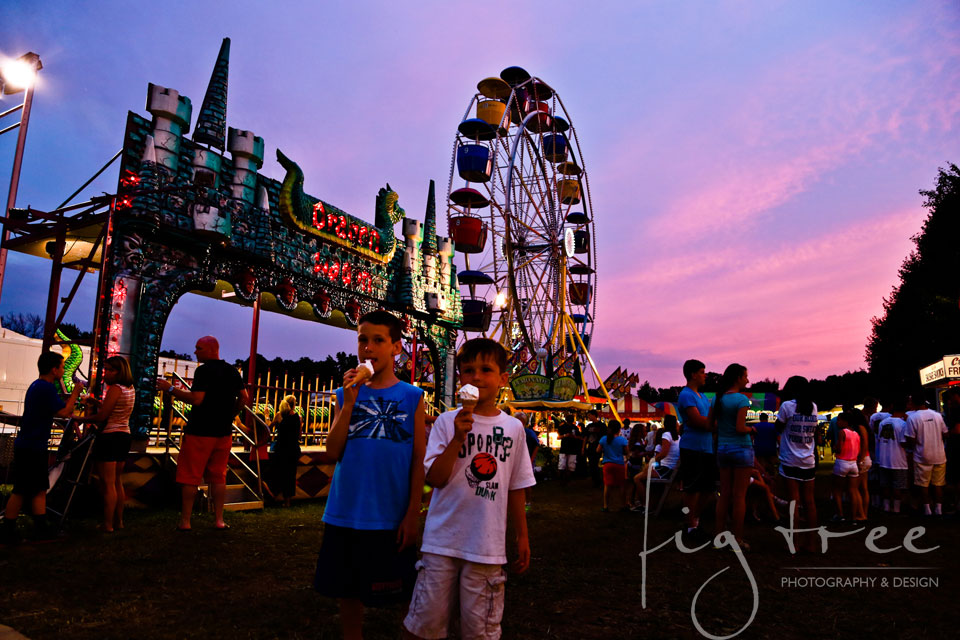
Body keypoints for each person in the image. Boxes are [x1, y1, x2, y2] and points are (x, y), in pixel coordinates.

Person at [403, 338, 534, 640]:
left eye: (486, 370)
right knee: (425, 624)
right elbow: (435, 478)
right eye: (468, 370)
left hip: (486, 545)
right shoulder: (447, 423)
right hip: (441, 541)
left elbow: (516, 486)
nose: (476, 376)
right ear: (460, 378)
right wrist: (459, 438)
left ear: (503, 378)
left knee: (481, 630)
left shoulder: (514, 429)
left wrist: (522, 535)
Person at [314, 311, 426, 640]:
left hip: (390, 515)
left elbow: (419, 458)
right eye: (363, 339)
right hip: (346, 512)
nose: (369, 347)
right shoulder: (344, 393)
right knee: (346, 589)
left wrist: (412, 513)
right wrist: (348, 403)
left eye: (379, 340)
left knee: (397, 588)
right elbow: (332, 453)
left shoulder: (412, 396)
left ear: (396, 348)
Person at [157, 336, 247, 531]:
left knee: (190, 476)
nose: (195, 352)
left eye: (199, 348)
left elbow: (197, 399)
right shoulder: (232, 371)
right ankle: (219, 520)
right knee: (218, 477)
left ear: (211, 349)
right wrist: (231, 414)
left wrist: (170, 388)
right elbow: (244, 397)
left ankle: (186, 521)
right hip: (223, 432)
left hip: (200, 430)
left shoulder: (203, 371)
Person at [1, 352, 84, 545]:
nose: (64, 370)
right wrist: (76, 394)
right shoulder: (46, 388)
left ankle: (32, 528)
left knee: (35, 488)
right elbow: (64, 412)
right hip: (33, 445)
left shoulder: (36, 386)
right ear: (54, 369)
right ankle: (16, 530)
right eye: (62, 367)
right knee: (25, 489)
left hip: (28, 443)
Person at [74, 355, 135, 532]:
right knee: (117, 481)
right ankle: (119, 521)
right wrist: (97, 403)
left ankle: (107, 524)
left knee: (107, 483)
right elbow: (114, 408)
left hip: (110, 437)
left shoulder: (115, 388)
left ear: (118, 372)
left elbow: (102, 416)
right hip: (124, 435)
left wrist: (80, 418)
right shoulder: (129, 388)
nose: (105, 373)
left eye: (109, 370)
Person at [712, 363, 755, 550]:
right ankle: (737, 539)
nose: (747, 379)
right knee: (739, 496)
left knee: (724, 495)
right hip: (741, 449)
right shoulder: (741, 400)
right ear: (738, 378)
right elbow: (740, 428)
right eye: (746, 376)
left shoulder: (717, 399)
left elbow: (709, 425)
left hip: (723, 448)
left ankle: (719, 537)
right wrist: (752, 428)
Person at [775, 376, 819, 551]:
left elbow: (778, 427)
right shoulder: (813, 407)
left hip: (790, 459)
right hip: (808, 460)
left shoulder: (787, 406)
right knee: (810, 502)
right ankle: (811, 542)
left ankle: (795, 542)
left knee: (794, 501)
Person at [676, 359, 715, 544]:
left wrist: (710, 424)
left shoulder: (701, 396)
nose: (704, 375)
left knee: (708, 488)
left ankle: (694, 521)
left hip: (705, 446)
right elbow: (698, 421)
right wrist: (719, 426)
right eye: (701, 371)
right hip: (692, 447)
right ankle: (690, 526)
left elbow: (704, 421)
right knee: (692, 488)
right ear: (693, 374)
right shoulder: (686, 395)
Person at [905, 392, 948, 516]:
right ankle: (939, 509)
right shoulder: (937, 415)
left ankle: (927, 509)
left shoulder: (912, 418)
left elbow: (911, 439)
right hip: (939, 455)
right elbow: (945, 433)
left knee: (923, 484)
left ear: (913, 402)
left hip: (922, 455)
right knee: (938, 483)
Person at [631, 415, 680, 514]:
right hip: (672, 468)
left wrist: (652, 462)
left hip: (666, 469)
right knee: (644, 476)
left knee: (637, 478)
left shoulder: (666, 434)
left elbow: (664, 453)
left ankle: (645, 505)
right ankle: (648, 504)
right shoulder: (678, 436)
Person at [875, 398, 909, 514]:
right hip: (898, 459)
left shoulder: (883, 422)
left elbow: (879, 438)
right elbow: (904, 442)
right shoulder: (903, 424)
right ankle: (896, 508)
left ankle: (886, 506)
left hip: (884, 458)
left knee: (885, 484)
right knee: (897, 486)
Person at [831, 412, 863, 522]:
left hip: (842, 462)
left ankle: (840, 515)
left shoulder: (842, 432)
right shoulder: (856, 434)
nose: (837, 422)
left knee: (837, 490)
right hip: (853, 463)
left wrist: (834, 448)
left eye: (839, 420)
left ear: (845, 421)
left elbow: (839, 449)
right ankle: (854, 516)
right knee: (853, 490)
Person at [271, 395, 302, 508]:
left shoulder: (280, 416)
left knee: (280, 474)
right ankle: (288, 500)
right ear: (294, 404)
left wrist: (266, 415)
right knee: (290, 475)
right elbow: (299, 435)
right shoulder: (298, 417)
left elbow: (268, 427)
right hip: (293, 449)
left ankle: (274, 497)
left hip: (282, 448)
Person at [598, 420, 630, 511]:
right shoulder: (622, 440)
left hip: (607, 464)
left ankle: (605, 506)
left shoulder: (604, 438)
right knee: (621, 485)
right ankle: (623, 505)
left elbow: (598, 450)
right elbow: (627, 452)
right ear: (619, 429)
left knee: (607, 485)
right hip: (619, 464)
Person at [582, 410, 606, 486]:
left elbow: (604, 436)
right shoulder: (589, 426)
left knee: (595, 463)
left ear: (594, 415)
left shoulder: (602, 425)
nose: (588, 417)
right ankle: (594, 479)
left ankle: (597, 480)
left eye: (589, 415)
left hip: (598, 446)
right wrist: (583, 447)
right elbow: (585, 437)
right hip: (590, 447)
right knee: (592, 463)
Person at [557, 415, 581, 484]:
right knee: (562, 464)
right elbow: (558, 437)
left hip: (572, 448)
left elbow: (579, 437)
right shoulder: (562, 427)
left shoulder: (575, 428)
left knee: (571, 465)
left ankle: (567, 479)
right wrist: (565, 435)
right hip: (565, 448)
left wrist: (574, 437)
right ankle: (562, 479)